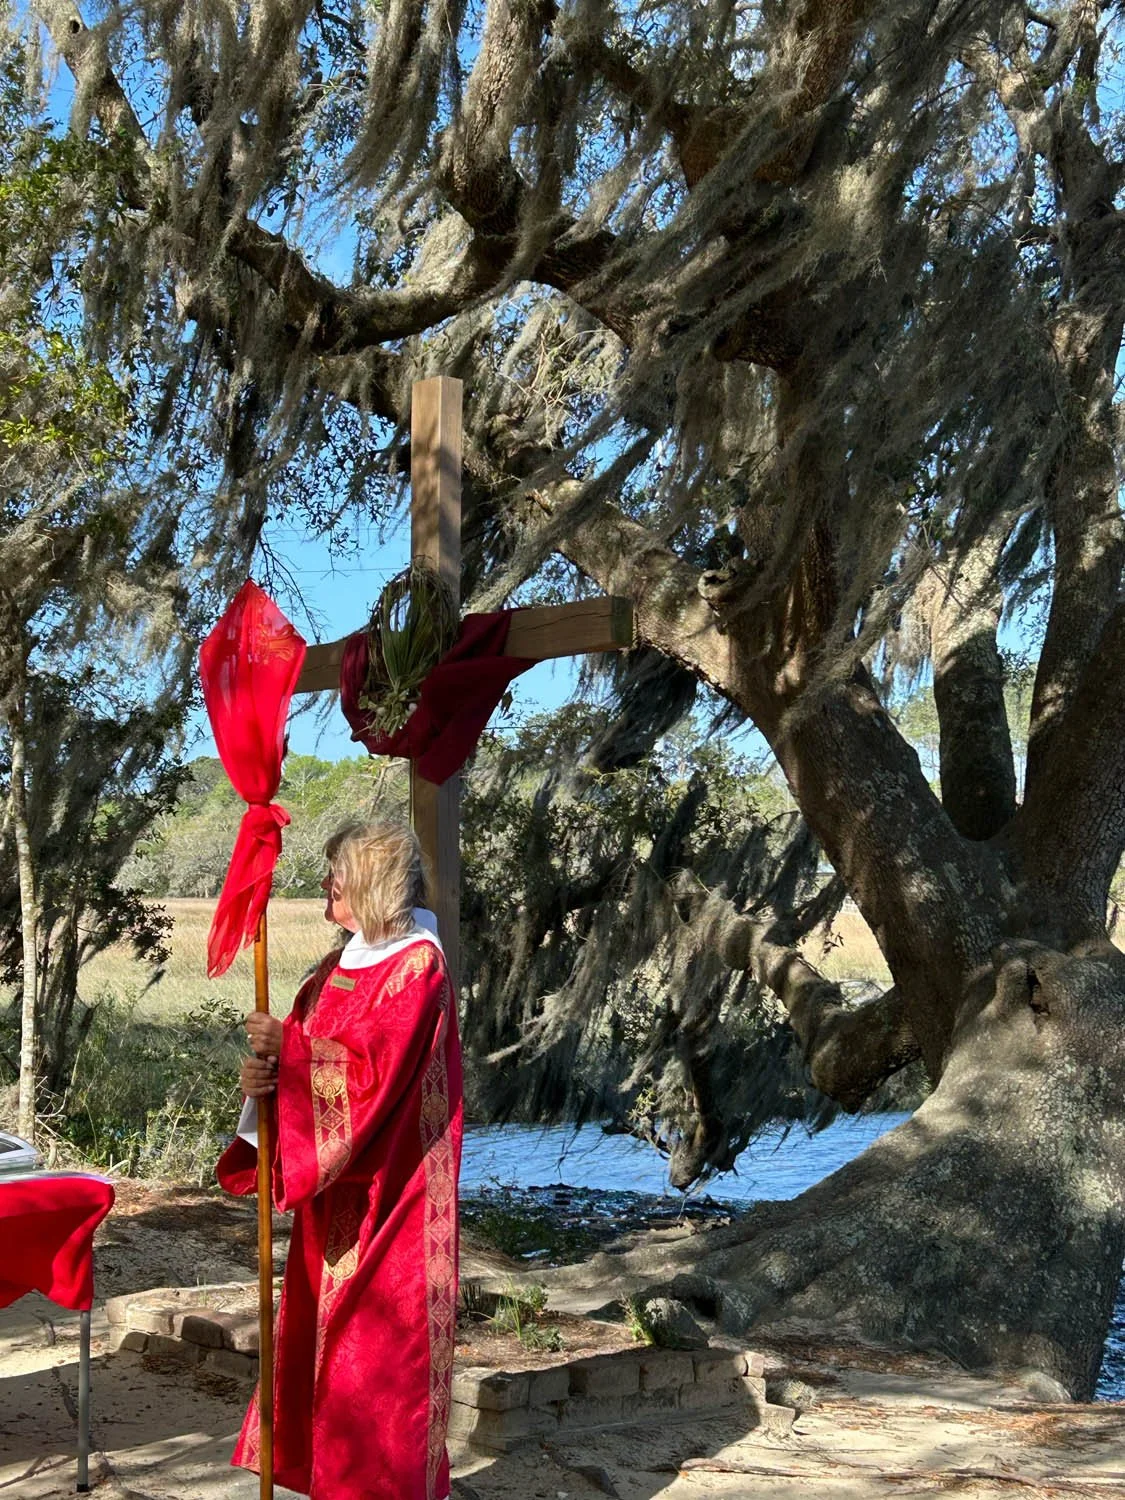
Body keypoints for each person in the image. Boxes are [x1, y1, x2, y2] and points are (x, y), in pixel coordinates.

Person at [216, 819, 463, 1500]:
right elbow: (300, 1050)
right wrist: (263, 1078)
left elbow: (374, 1075)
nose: (326, 885)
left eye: (338, 874)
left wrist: (291, 1057)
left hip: (394, 1197)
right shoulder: (338, 963)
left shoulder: (418, 966)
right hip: (333, 1197)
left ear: (373, 883)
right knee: (322, 1357)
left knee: (379, 1367)